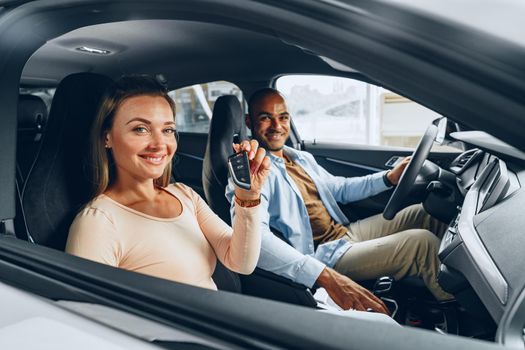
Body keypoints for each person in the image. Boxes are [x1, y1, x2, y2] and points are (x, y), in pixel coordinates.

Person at [225, 88, 453, 313]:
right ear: (249, 121)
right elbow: (254, 238)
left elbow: (337, 188)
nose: (277, 126)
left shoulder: (298, 157)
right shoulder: (253, 172)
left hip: (344, 234)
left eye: (283, 117)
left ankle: (462, 279)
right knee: (421, 244)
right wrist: (321, 274)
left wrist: (387, 178)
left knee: (424, 214)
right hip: (324, 256)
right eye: (266, 118)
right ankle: (465, 318)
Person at [66, 75, 270, 290]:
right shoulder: (98, 222)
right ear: (107, 137)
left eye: (168, 130)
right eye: (140, 129)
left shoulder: (184, 194)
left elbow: (240, 262)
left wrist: (248, 198)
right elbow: (88, 314)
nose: (159, 144)